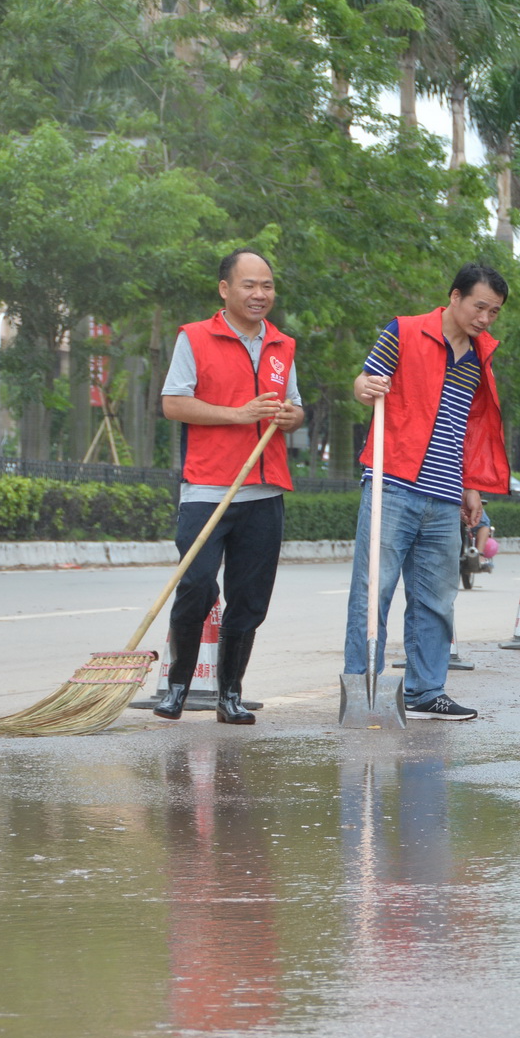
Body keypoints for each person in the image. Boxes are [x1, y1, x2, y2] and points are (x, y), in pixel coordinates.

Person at [348, 263, 512, 720]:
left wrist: (472, 486)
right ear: (455, 296)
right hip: (393, 485)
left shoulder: (479, 356)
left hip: (444, 494)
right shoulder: (403, 332)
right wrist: (366, 387)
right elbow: (364, 381)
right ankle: (362, 688)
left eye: (494, 312)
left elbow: (472, 427)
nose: (485, 318)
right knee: (373, 593)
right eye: (479, 307)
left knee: (436, 600)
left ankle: (426, 692)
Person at [154, 249, 307, 723]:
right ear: (225, 289)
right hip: (208, 488)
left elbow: (296, 406)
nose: (260, 294)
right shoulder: (195, 338)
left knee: (250, 598)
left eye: (267, 285)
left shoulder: (283, 345)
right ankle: (177, 686)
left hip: (264, 491)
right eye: (249, 285)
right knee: (196, 585)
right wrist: (237, 415)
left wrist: (290, 417)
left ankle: (230, 695)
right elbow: (173, 403)